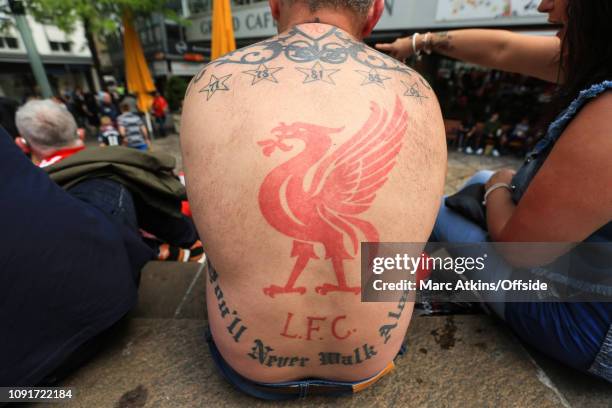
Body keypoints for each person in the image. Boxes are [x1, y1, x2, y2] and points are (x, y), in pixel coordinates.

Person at [181, 0, 447, 400]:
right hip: (370, 361)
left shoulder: (210, 81)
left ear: (274, 5)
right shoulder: (418, 91)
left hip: (249, 366)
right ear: (374, 12)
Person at [379, 0, 612, 382]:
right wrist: (418, 42)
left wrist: (499, 183)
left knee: (435, 209)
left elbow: (522, 248)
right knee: (474, 182)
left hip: (586, 330)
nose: (543, 5)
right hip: (594, 286)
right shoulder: (596, 59)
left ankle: (366, 288)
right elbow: (502, 49)